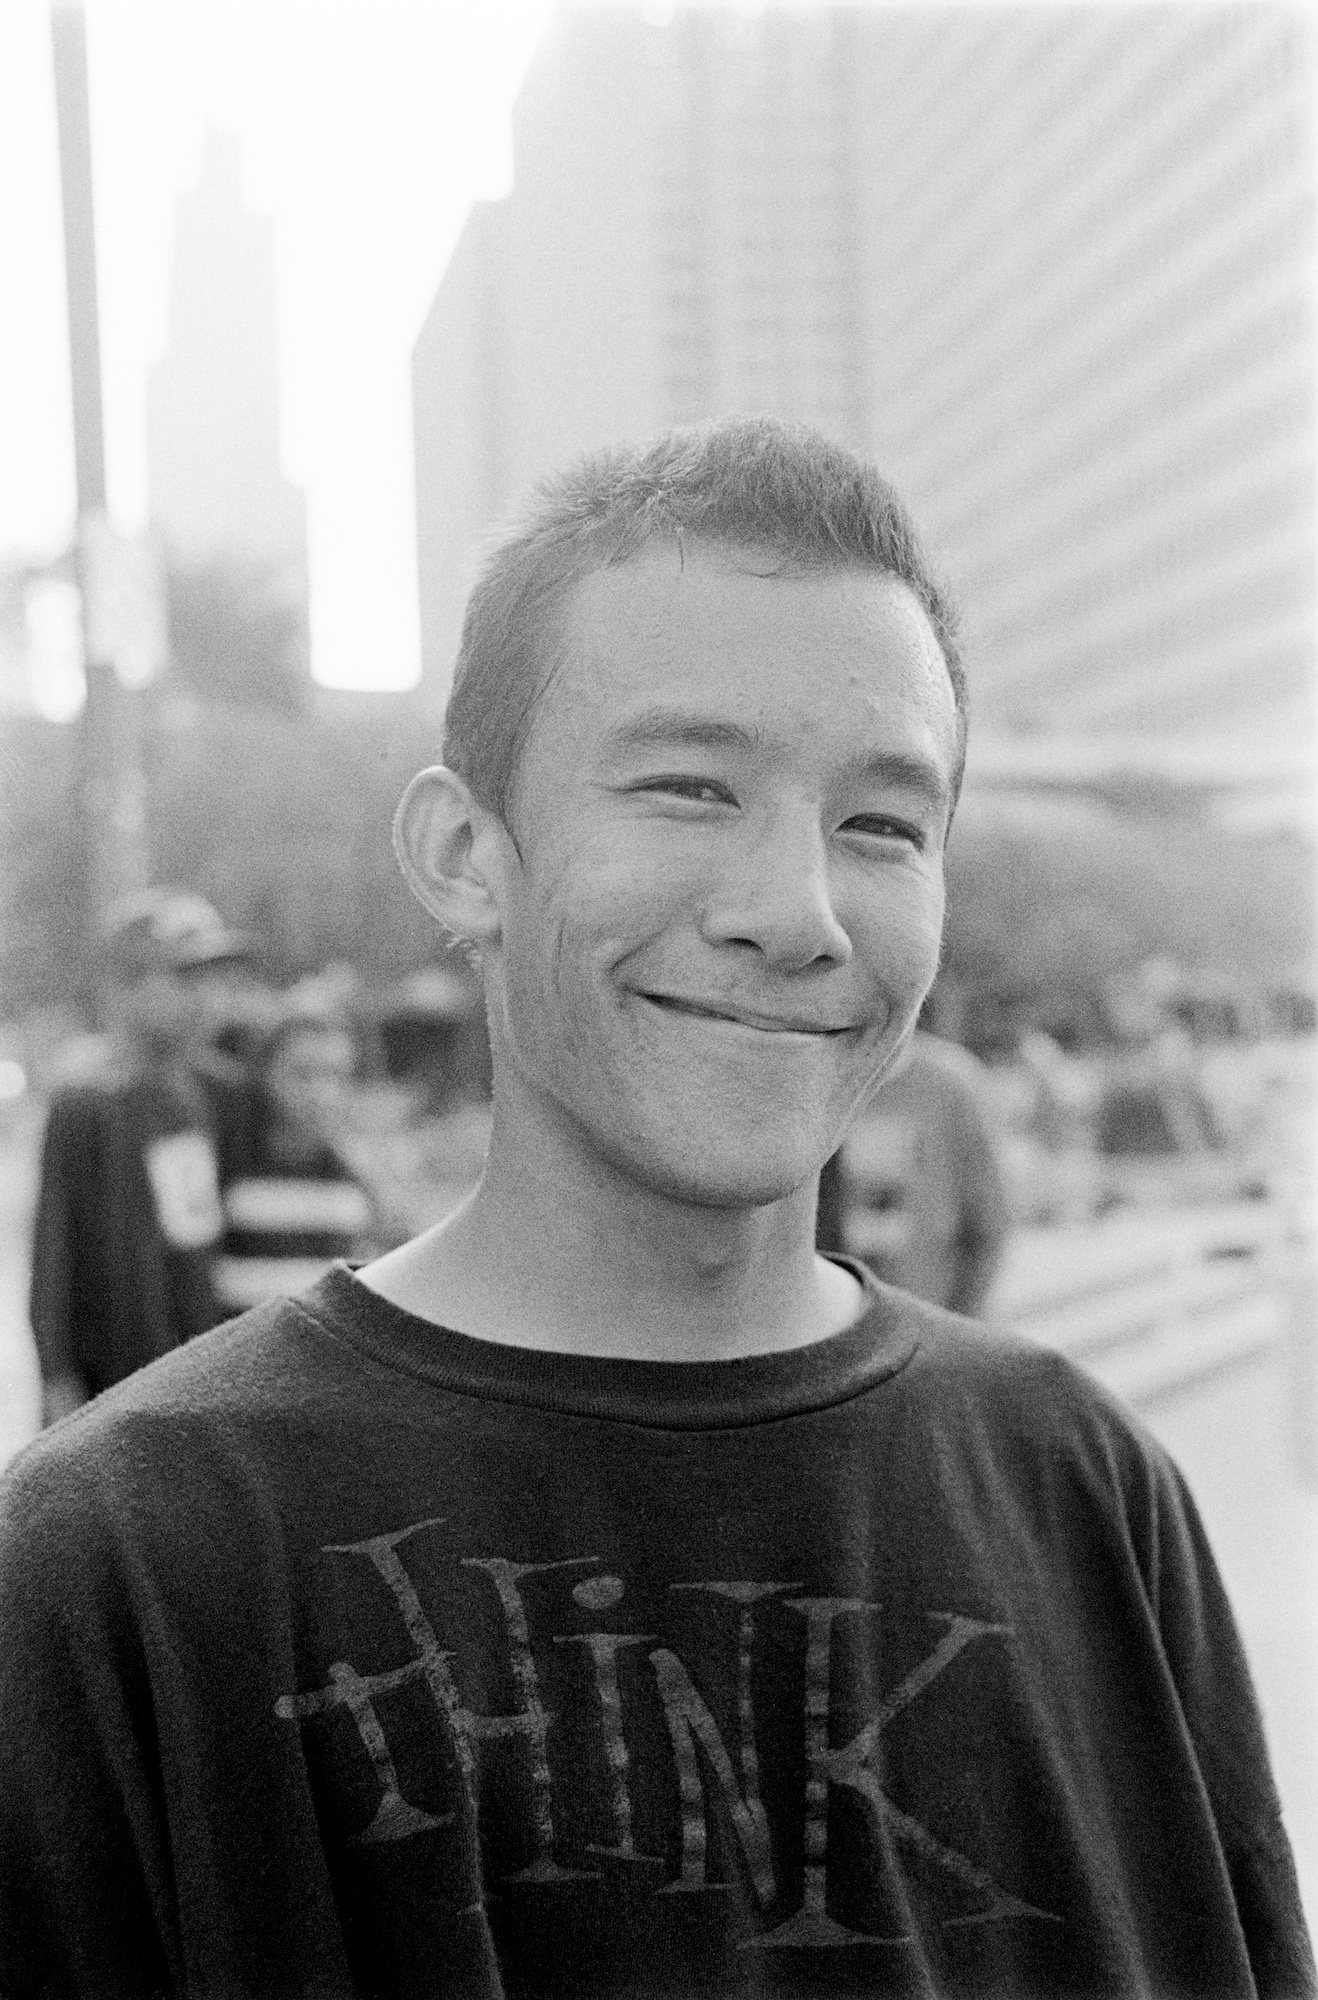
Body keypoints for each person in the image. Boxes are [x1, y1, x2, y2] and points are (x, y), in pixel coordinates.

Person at [0, 419, 1311, 1997]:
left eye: (882, 824)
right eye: (690, 787)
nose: (796, 915)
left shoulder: (1085, 1488)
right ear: (463, 855)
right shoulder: (119, 1576)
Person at [26, 888, 255, 1424]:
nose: (207, 996)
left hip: (204, 1380)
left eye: (213, 979)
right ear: (124, 989)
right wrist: (60, 1388)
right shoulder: (87, 1105)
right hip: (115, 1390)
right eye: (184, 978)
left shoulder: (221, 1094)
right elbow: (55, 1260)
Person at [818, 1027, 1009, 1316]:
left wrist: (961, 1325)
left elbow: (988, 1222)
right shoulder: (818, 1078)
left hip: (927, 1308)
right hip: (836, 1315)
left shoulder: (947, 1084)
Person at [211, 1005, 387, 1316]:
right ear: (266, 1074)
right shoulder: (225, 1162)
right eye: (302, 1074)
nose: (320, 1092)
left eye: (335, 1075)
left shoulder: (356, 1176)